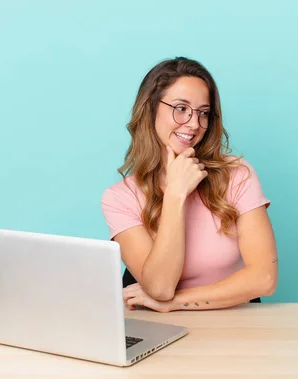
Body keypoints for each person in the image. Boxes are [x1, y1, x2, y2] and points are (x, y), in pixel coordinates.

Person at [101, 56, 278, 312]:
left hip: (235, 326)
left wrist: (175, 303)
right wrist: (175, 194)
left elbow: (265, 279)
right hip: (160, 330)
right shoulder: (120, 198)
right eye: (181, 108)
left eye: (203, 113)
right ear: (150, 108)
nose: (194, 124)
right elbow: (159, 287)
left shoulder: (237, 175)